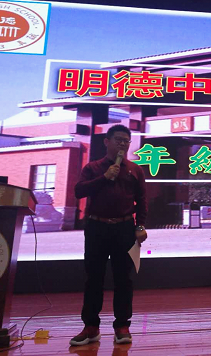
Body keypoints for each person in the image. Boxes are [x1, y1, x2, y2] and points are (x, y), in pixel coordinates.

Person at [70, 125, 148, 346]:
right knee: (93, 277)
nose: (122, 144)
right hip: (97, 227)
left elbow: (142, 200)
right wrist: (104, 177)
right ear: (107, 141)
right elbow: (79, 191)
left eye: (126, 141)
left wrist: (140, 226)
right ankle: (91, 327)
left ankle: (122, 326)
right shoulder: (93, 167)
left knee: (124, 278)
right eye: (118, 139)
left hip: (125, 228)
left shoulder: (135, 169)